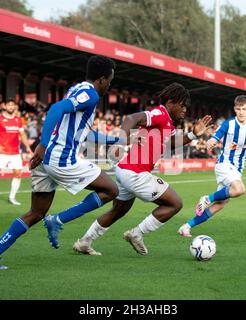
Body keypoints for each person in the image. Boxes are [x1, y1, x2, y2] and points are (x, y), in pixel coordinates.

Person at [0, 55, 120, 269]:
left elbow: (85, 134)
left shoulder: (77, 89)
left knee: (35, 213)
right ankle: (58, 220)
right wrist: (42, 145)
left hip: (46, 159)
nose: (110, 85)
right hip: (60, 158)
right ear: (101, 79)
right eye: (109, 80)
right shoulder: (90, 94)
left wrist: (117, 139)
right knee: (111, 190)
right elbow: (54, 110)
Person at [73, 83, 212, 256]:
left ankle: (84, 242)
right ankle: (137, 234)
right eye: (182, 105)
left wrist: (193, 134)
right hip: (135, 173)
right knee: (175, 204)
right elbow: (131, 119)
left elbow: (170, 144)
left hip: (125, 170)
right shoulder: (160, 113)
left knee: (118, 211)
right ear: (170, 102)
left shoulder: (167, 122)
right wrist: (121, 142)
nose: (185, 109)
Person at [177, 95, 246, 237]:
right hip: (224, 164)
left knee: (220, 204)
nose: (241, 112)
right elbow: (216, 136)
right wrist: (211, 142)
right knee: (239, 189)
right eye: (239, 109)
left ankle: (186, 226)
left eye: (244, 109)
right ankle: (207, 198)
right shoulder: (229, 124)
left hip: (237, 169)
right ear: (235, 109)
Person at [0, 100, 32, 206]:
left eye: (12, 105)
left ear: (15, 107)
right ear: (5, 106)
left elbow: (22, 135)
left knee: (18, 174)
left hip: (15, 152)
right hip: (2, 152)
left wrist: (27, 147)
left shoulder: (18, 120)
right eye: (9, 105)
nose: (11, 107)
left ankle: (12, 197)